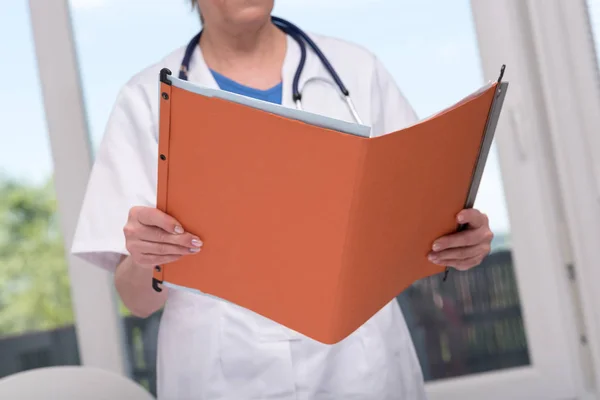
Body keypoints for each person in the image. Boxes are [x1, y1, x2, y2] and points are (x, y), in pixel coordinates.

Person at [71, 1, 494, 399]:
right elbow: (137, 301)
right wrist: (146, 256)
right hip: (223, 371)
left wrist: (460, 239)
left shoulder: (355, 70)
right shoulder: (146, 99)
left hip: (360, 364)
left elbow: (420, 221)